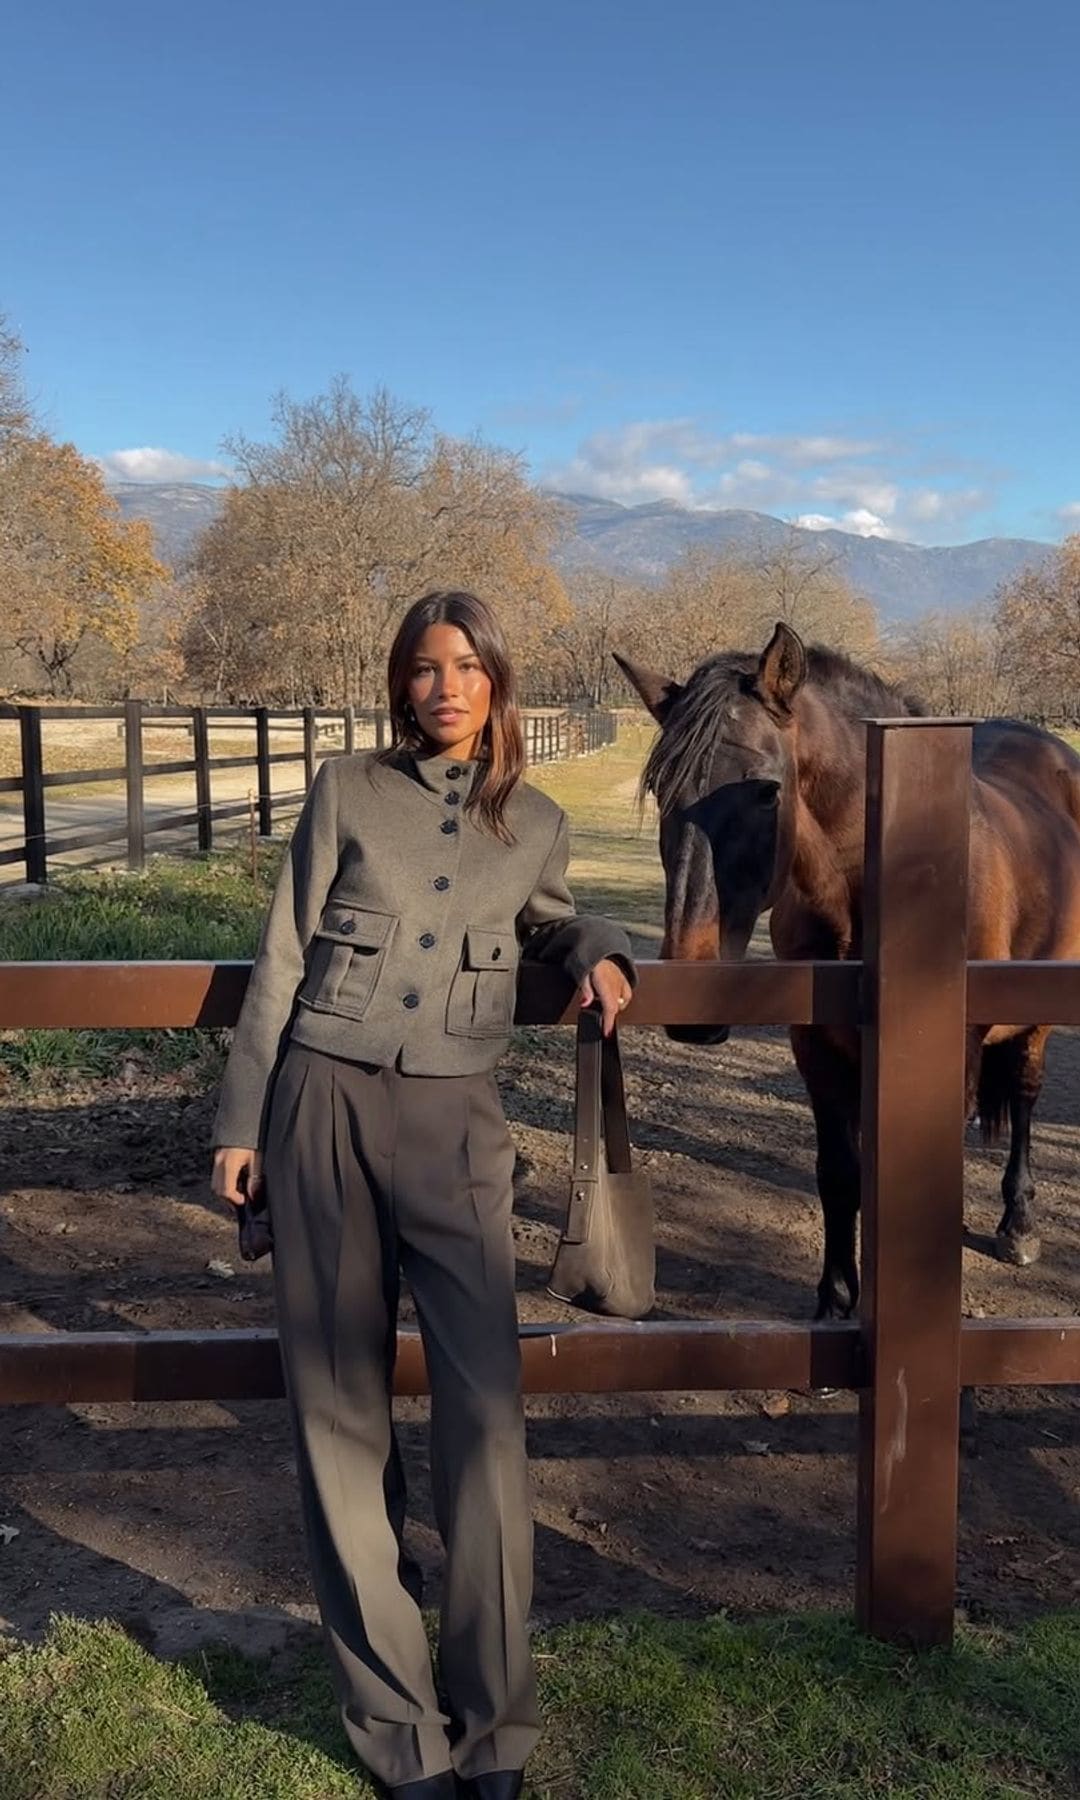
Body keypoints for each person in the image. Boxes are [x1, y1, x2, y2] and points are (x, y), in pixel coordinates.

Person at [210, 590, 635, 1800]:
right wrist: (241, 1123)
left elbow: (554, 922)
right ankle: (399, 1732)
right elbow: (285, 954)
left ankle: (494, 1727)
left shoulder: (540, 821)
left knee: (485, 1423)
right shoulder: (347, 792)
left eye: (466, 667)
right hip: (322, 1110)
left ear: (498, 683)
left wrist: (602, 942)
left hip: (460, 1130)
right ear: (400, 685)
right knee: (340, 1423)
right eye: (421, 668)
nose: (443, 686)